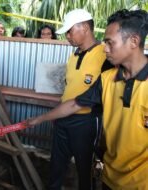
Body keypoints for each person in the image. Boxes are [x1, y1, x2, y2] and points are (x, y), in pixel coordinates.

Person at [26, 9, 148, 190]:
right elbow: (75, 101)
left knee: (85, 171)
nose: (105, 48)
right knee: (57, 166)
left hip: (138, 181)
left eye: (110, 42)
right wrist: (43, 118)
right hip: (110, 177)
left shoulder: (107, 62)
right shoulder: (107, 79)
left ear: (134, 42)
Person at [37, 9, 113, 190]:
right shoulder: (73, 56)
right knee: (56, 165)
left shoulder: (106, 55)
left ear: (85, 28)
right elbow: (69, 88)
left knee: (85, 169)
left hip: (86, 122)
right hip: (63, 119)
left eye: (70, 31)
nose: (68, 37)